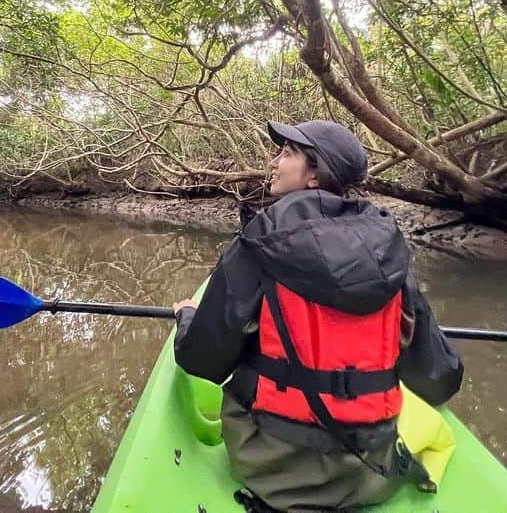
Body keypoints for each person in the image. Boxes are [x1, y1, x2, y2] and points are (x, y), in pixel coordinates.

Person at [172, 119, 464, 512]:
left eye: (287, 154)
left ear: (315, 175)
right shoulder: (389, 257)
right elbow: (440, 378)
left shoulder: (260, 242)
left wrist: (187, 318)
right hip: (371, 473)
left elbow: (202, 359)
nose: (273, 163)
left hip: (271, 468)